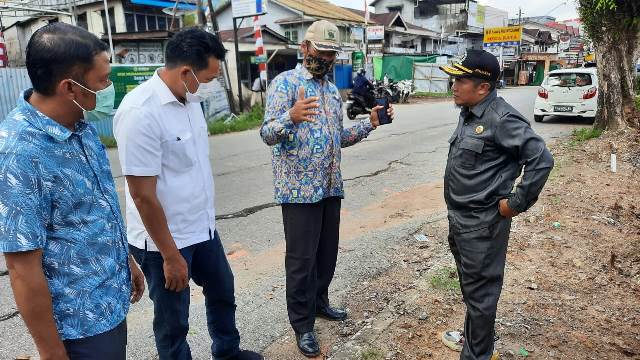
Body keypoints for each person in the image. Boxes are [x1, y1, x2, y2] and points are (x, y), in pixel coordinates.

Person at [113, 28, 262, 360]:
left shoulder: (191, 100)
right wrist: (170, 256)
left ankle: (227, 352)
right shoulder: (140, 112)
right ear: (185, 72)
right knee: (172, 320)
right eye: (208, 78)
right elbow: (142, 196)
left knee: (223, 291)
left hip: (202, 229)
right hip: (163, 241)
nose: (210, 86)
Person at [0, 23, 145, 360]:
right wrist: (52, 353)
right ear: (69, 87)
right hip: (77, 329)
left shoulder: (79, 125)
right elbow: (22, 267)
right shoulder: (19, 152)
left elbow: (94, 211)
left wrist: (126, 262)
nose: (108, 88)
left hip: (109, 301)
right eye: (102, 81)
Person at [260, 20, 394, 358]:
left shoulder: (332, 91)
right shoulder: (285, 84)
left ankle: (320, 303)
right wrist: (290, 116)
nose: (327, 59)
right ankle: (302, 325)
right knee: (301, 261)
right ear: (305, 48)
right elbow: (267, 134)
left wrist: (370, 124)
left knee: (326, 255)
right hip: (298, 191)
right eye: (321, 52)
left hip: (330, 187)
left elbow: (338, 139)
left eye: (332, 54)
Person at [439, 49, 554, 360]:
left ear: (483, 87)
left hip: (482, 225)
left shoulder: (501, 118)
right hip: (461, 221)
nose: (454, 84)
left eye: (460, 79)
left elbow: (541, 159)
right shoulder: (471, 112)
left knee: (481, 296)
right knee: (474, 293)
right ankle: (478, 336)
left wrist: (514, 204)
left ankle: (476, 354)